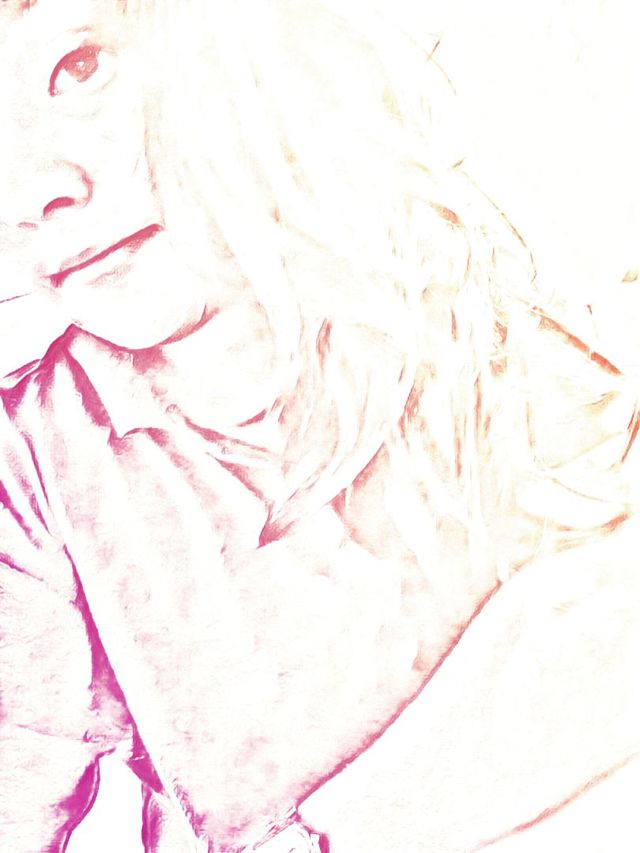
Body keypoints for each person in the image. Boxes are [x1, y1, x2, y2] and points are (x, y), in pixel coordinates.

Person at [0, 1, 638, 851]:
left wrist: (326, 833)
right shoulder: (31, 468)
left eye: (79, 69)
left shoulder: (488, 302)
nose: (30, 191)